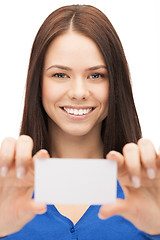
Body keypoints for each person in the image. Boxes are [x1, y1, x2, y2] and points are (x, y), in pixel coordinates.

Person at [0, 4, 160, 239]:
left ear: (116, 84)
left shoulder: (150, 194)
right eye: (60, 75)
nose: (78, 92)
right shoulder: (6, 194)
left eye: (96, 75)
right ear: (38, 83)